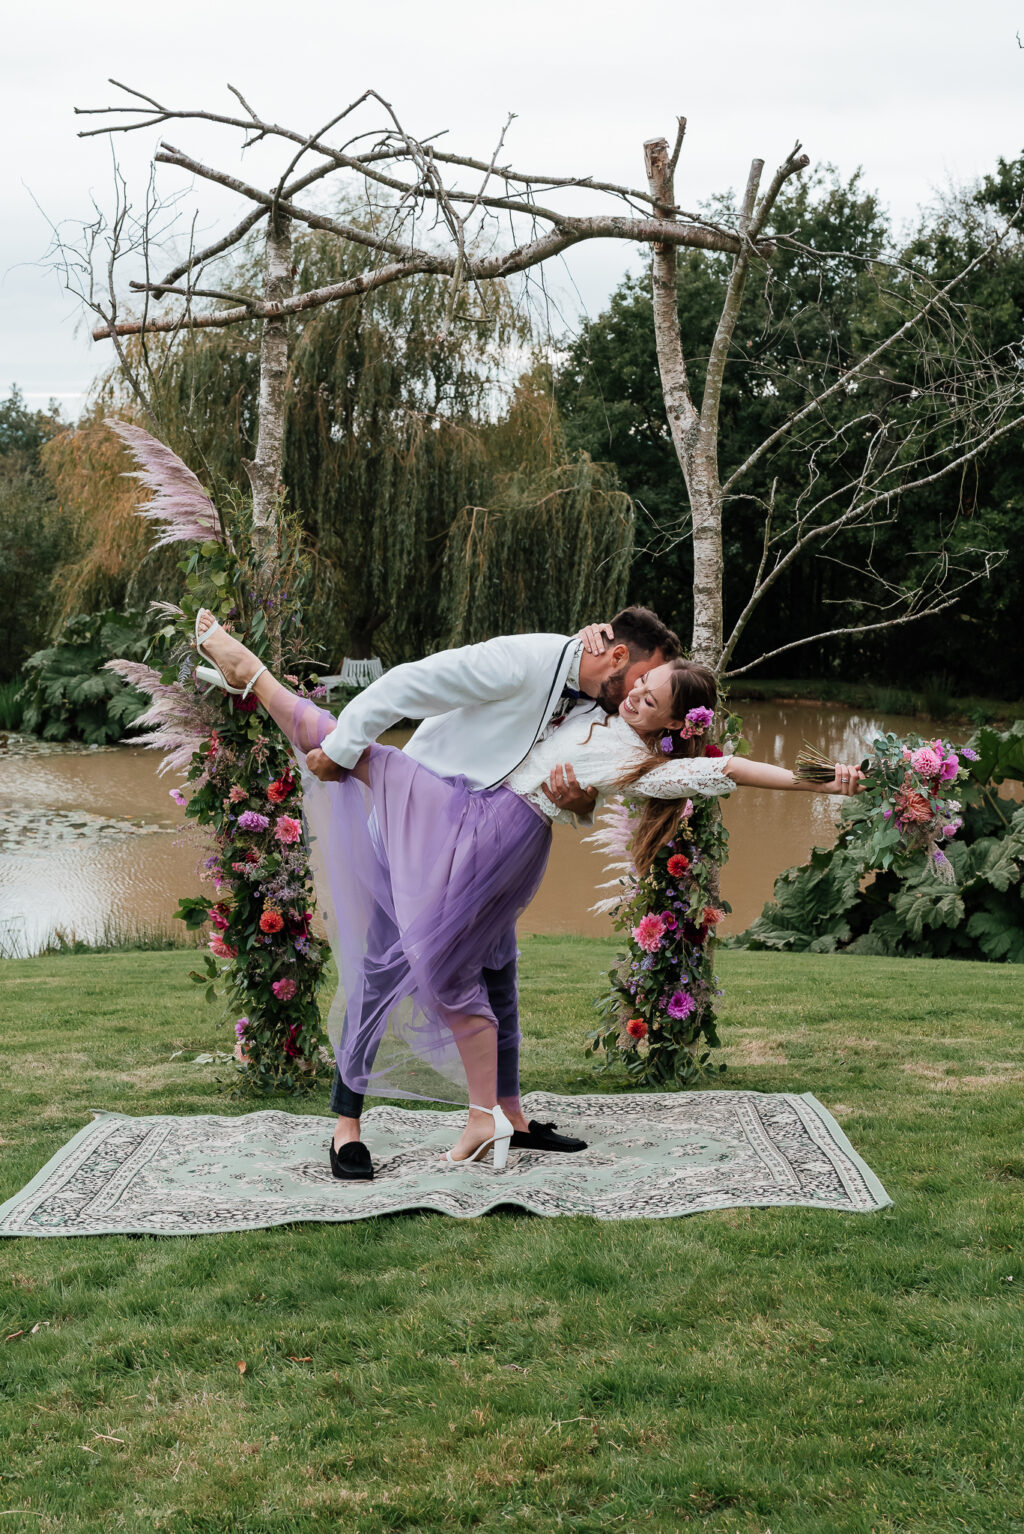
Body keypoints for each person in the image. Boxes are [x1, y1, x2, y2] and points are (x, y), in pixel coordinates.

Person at [194, 614, 865, 1172]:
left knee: (460, 970)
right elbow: (425, 693)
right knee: (398, 924)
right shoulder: (549, 670)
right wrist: (342, 749)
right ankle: (366, 1124)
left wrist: (819, 781)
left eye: (649, 696)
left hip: (490, 836)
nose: (633, 695)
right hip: (450, 807)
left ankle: (496, 1115)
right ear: (622, 657)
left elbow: (720, 768)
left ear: (665, 718)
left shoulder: (641, 755)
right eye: (640, 682)